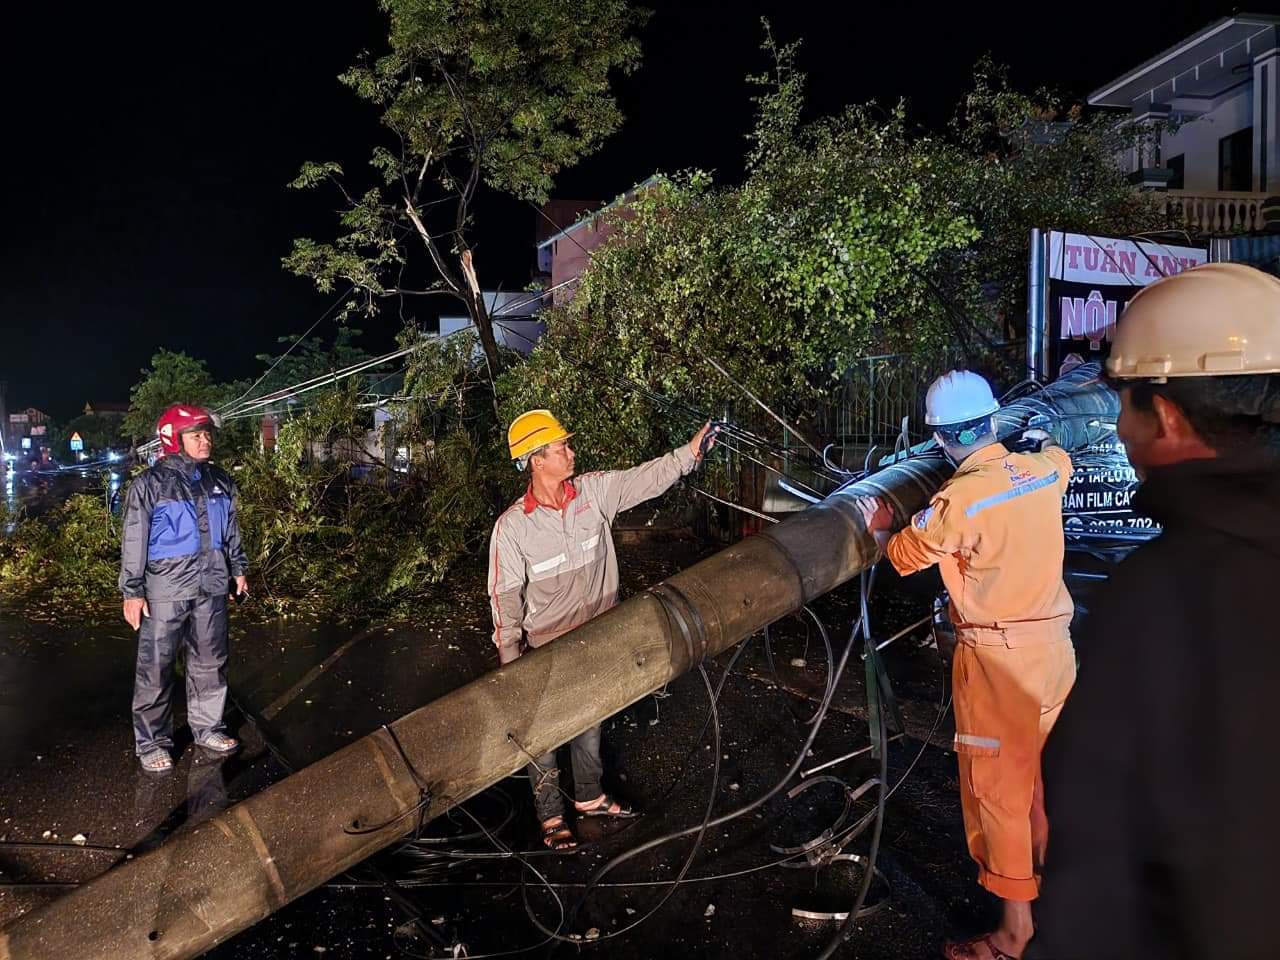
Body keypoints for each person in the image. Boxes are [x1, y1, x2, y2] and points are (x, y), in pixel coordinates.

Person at [1038, 263, 1280, 960]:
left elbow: (1096, 847)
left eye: (1127, 403)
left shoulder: (1163, 592)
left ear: (1168, 416)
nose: (1117, 424)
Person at [856, 371, 1075, 960]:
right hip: (1056, 652)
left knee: (1000, 794)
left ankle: (1014, 935)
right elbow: (1060, 458)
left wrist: (879, 530)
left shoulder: (957, 502)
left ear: (944, 439)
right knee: (1048, 783)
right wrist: (1034, 441)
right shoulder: (1044, 470)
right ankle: (1058, 904)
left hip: (999, 661)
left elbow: (902, 555)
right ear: (994, 420)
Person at [488, 409, 716, 849]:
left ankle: (589, 797)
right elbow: (504, 598)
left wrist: (689, 453)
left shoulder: (594, 493)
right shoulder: (513, 528)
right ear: (537, 460)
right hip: (548, 648)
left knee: (591, 719)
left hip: (599, 636)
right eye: (561, 448)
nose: (571, 453)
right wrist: (509, 665)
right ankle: (551, 815)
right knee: (544, 734)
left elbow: (645, 479)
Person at [119, 404, 249, 774]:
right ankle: (152, 741)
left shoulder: (220, 479)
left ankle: (208, 726)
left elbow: (231, 531)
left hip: (211, 584)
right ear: (172, 440)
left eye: (207, 434)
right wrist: (132, 591)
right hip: (164, 589)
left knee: (211, 662)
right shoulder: (149, 484)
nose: (205, 440)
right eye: (196, 434)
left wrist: (237, 569)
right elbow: (134, 540)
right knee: (156, 668)